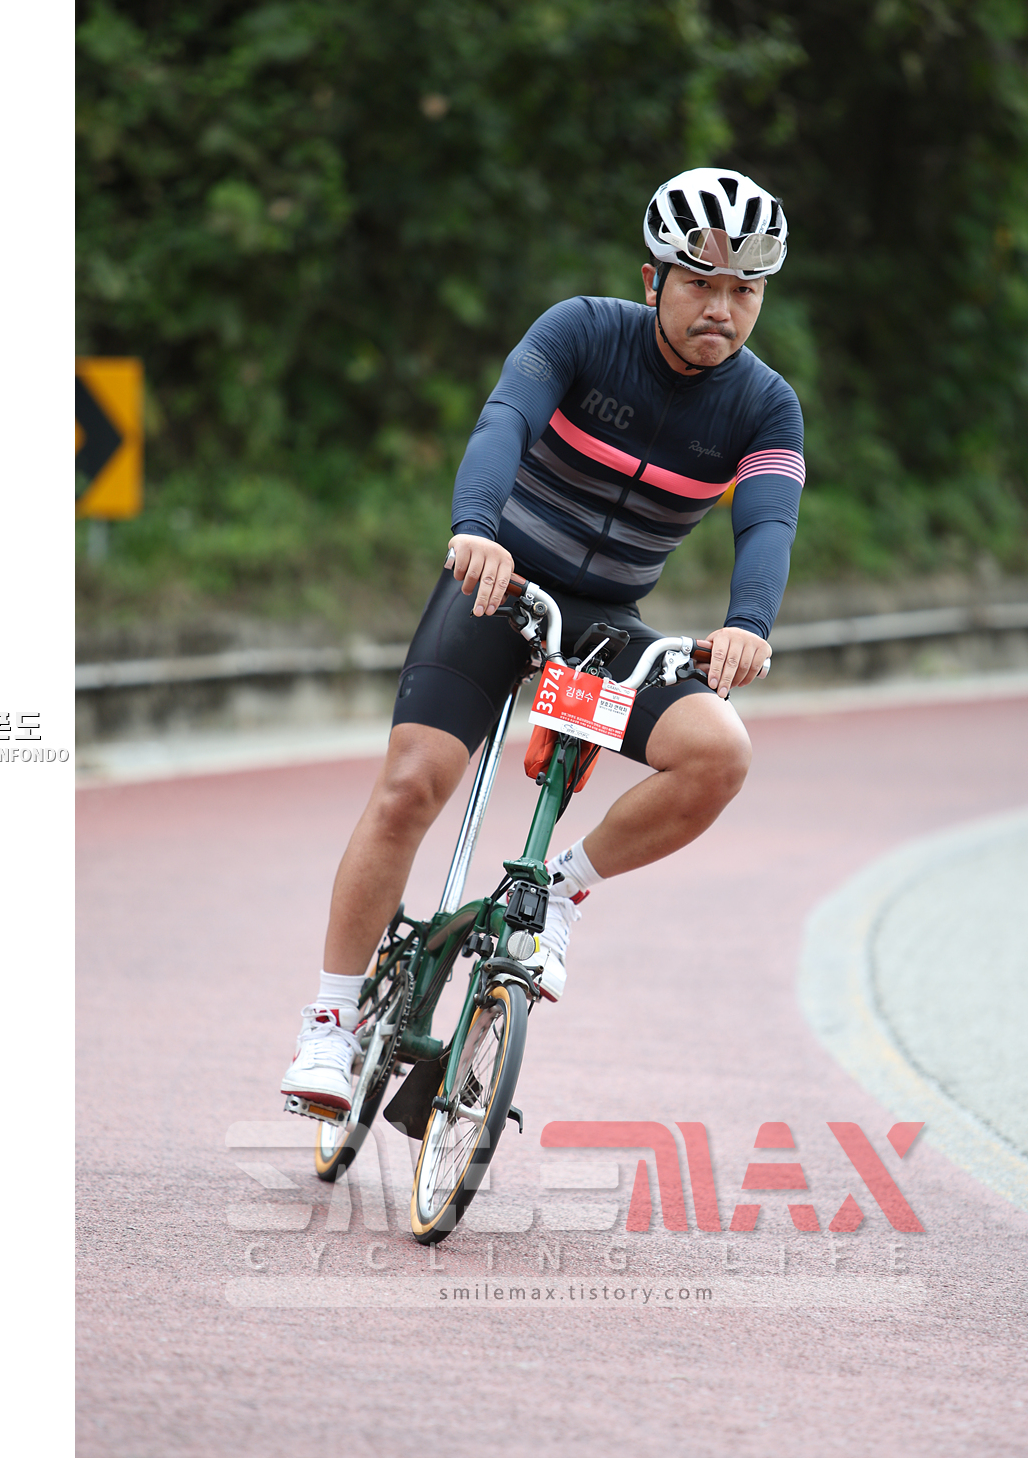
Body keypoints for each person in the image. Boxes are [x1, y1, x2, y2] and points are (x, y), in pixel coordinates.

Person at [282, 167, 805, 1109]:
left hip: (602, 629)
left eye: (745, 290)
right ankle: (328, 1023)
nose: (721, 310)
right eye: (700, 282)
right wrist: (477, 528)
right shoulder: (581, 331)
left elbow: (767, 523)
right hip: (500, 587)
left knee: (719, 752)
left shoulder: (765, 406)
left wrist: (747, 626)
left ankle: (558, 892)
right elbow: (505, 421)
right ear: (653, 280)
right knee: (411, 786)